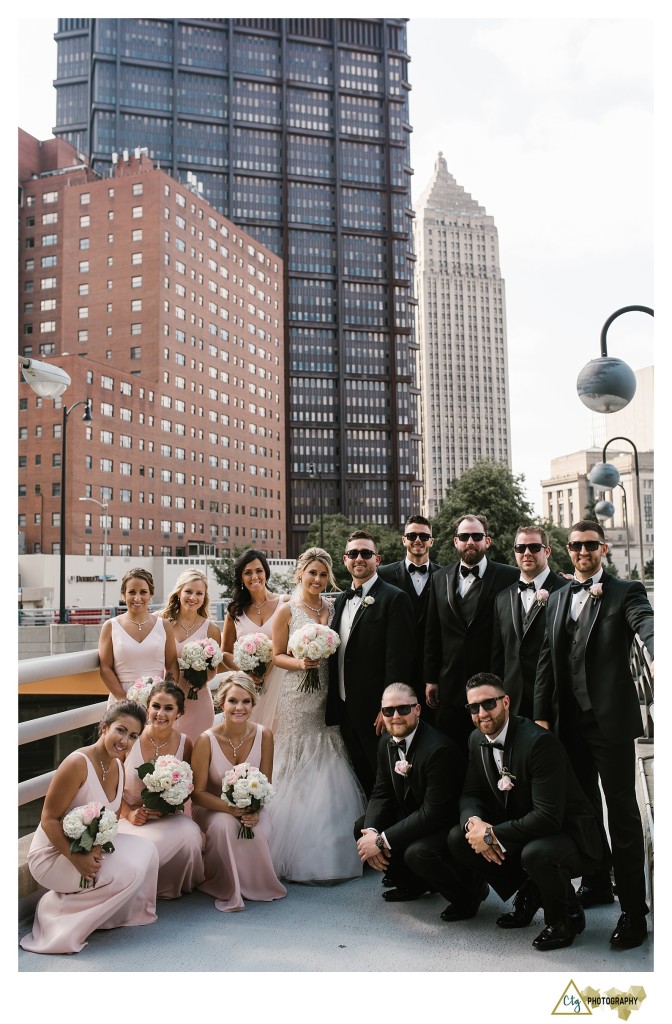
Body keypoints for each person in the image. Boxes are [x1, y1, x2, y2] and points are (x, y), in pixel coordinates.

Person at [534, 519, 654, 950]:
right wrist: (542, 715)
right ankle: (598, 884)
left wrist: (659, 655)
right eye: (576, 546)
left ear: (603, 549)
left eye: (590, 546)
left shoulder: (626, 592)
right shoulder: (558, 597)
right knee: (581, 811)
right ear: (568, 550)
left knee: (622, 813)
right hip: (568, 725)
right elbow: (547, 660)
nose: (583, 553)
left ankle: (634, 913)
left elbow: (646, 626)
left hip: (611, 723)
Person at [446, 674, 605, 951]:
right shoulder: (475, 739)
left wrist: (492, 834)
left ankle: (566, 917)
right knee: (459, 838)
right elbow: (470, 793)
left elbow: (548, 817)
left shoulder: (538, 743)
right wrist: (475, 823)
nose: (482, 713)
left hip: (569, 836)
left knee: (537, 853)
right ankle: (527, 890)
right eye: (474, 707)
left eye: (489, 704)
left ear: (506, 702)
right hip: (524, 828)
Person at [20, 701, 160, 955]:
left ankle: (108, 916)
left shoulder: (117, 765)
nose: (125, 740)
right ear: (103, 727)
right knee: (126, 871)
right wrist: (77, 858)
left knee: (147, 850)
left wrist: (95, 848)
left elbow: (112, 821)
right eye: (120, 730)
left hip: (87, 845)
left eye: (133, 736)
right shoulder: (77, 764)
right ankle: (55, 911)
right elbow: (49, 819)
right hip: (53, 854)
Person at [269, 548, 366, 883]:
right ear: (300, 574)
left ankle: (331, 846)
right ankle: (290, 850)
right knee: (295, 759)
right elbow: (276, 655)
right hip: (297, 693)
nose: (317, 580)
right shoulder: (286, 610)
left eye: (323, 575)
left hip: (327, 691)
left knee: (328, 753)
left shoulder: (333, 607)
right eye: (312, 573)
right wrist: (301, 662)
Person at [356, 684, 467, 909]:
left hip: (445, 823)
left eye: (403, 709)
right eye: (388, 711)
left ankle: (468, 894)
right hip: (415, 813)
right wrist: (372, 832)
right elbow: (381, 792)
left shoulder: (438, 750)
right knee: (361, 827)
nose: (395, 716)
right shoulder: (385, 743)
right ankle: (412, 885)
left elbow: (433, 814)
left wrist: (381, 841)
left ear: (417, 709)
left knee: (417, 853)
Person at [326, 531, 415, 796]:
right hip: (344, 709)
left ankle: (391, 833)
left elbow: (400, 658)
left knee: (388, 779)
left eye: (366, 553)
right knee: (359, 779)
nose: (359, 558)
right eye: (353, 553)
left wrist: (387, 707)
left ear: (377, 558)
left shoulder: (394, 598)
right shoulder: (340, 600)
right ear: (345, 560)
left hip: (378, 712)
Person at [191, 673, 287, 911]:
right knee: (225, 825)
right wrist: (230, 808)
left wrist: (255, 810)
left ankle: (255, 884)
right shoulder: (206, 740)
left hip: (250, 806)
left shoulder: (264, 735)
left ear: (253, 704)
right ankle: (224, 885)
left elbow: (265, 785)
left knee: (260, 826)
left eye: (246, 701)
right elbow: (197, 794)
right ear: (221, 704)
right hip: (211, 807)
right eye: (233, 701)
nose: (239, 707)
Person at [424, 514, 518, 746]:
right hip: (449, 685)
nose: (470, 541)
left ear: (487, 541)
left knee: (493, 750)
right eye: (464, 536)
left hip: (492, 685)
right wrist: (430, 679)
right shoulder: (438, 578)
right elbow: (432, 631)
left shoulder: (510, 576)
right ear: (455, 541)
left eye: (477, 536)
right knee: (449, 753)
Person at [117, 679, 204, 898]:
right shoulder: (130, 739)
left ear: (179, 713)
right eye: (156, 706)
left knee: (191, 833)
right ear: (147, 708)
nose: (160, 714)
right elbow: (111, 786)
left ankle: (172, 885)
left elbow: (187, 790)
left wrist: (166, 808)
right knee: (143, 843)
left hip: (166, 816)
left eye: (168, 708)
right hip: (128, 815)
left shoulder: (186, 743)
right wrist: (130, 813)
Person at [491, 525, 570, 718]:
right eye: (520, 548)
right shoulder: (502, 597)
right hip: (513, 704)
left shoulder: (568, 591)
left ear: (547, 551)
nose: (527, 553)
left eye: (534, 547)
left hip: (558, 703)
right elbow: (498, 656)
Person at [222, 548, 289, 736]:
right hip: (250, 688)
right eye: (247, 572)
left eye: (258, 570)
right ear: (241, 578)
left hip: (282, 687)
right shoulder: (235, 611)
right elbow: (226, 652)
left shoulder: (286, 603)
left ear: (266, 572)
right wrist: (246, 670)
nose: (254, 577)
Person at [378, 515, 440, 713]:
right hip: (393, 670)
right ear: (404, 539)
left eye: (423, 536)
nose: (418, 540)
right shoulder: (382, 575)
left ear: (432, 540)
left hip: (432, 673)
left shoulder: (444, 576)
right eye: (412, 535)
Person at [158, 569, 222, 743]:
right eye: (188, 591)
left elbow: (213, 669)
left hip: (198, 700)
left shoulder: (212, 629)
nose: (193, 597)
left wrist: (199, 680)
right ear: (179, 593)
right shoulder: (161, 622)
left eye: (199, 593)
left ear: (204, 598)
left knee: (197, 753)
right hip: (167, 699)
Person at [98, 568, 179, 705]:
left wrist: (164, 697)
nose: (137, 598)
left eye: (143, 592)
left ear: (150, 595)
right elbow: (105, 668)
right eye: (131, 592)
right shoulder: (110, 626)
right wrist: (124, 701)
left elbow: (171, 664)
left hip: (157, 700)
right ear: (123, 595)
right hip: (121, 700)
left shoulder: (164, 626)